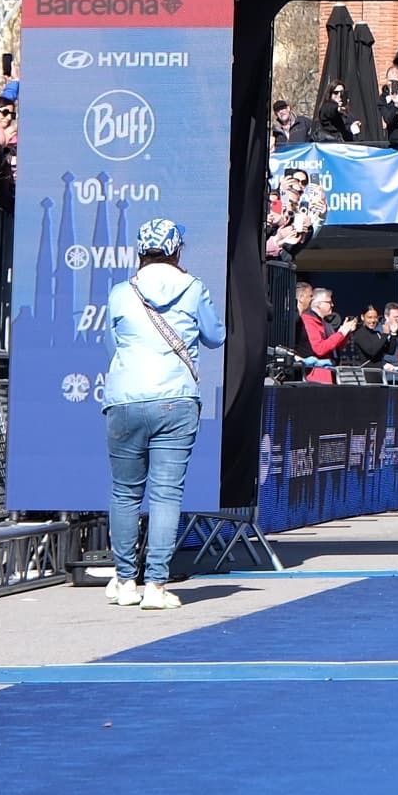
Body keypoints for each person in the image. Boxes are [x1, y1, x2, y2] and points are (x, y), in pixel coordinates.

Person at [102, 217, 221, 610]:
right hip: (176, 397)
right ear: (176, 250)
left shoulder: (121, 291)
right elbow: (216, 336)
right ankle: (155, 585)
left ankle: (124, 581)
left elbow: (111, 344)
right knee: (166, 494)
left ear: (140, 251)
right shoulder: (194, 288)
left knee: (124, 492)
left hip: (125, 398)